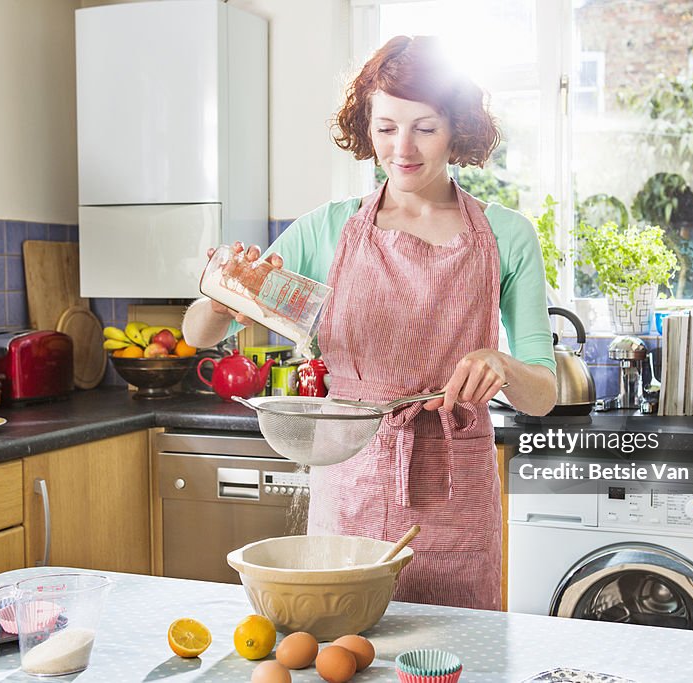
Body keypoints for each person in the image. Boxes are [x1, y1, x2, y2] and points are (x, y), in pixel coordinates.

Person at [183, 35, 557, 610]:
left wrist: (502, 365)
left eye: (424, 128)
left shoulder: (508, 237)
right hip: (348, 480)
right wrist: (221, 298)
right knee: (344, 651)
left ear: (456, 128)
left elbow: (543, 394)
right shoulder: (326, 230)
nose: (401, 147)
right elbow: (198, 334)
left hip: (456, 490)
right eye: (385, 128)